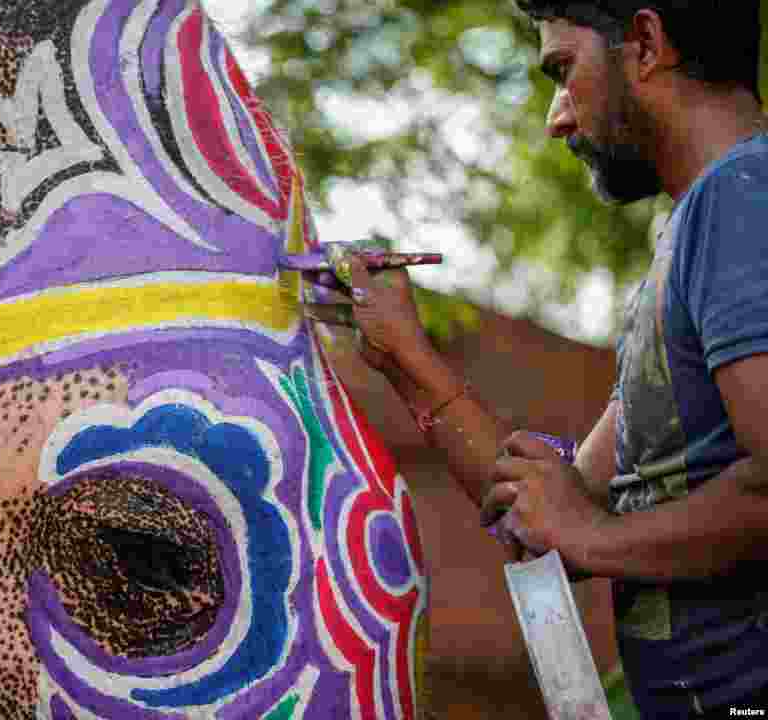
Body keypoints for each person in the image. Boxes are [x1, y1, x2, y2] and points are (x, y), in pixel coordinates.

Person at [305, 1, 768, 716]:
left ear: (645, 44)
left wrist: (596, 537)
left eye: (563, 70)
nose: (556, 117)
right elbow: (554, 510)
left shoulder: (743, 201)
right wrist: (401, 353)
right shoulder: (695, 236)